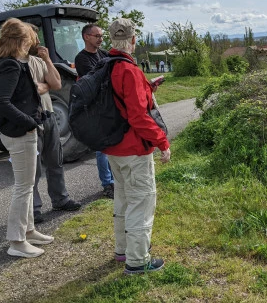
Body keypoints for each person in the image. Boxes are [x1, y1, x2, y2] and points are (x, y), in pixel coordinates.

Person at [103, 18, 170, 274]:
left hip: (112, 147)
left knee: (122, 199)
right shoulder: (129, 70)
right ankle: (138, 261)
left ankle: (123, 250)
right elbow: (138, 116)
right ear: (133, 39)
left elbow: (120, 102)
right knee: (141, 202)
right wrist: (162, 141)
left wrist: (148, 88)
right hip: (133, 148)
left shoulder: (106, 66)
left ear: (111, 39)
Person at [0, 18, 54, 258]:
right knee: (23, 187)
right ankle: (16, 241)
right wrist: (29, 122)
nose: (31, 43)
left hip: (21, 131)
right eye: (28, 38)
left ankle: (28, 231)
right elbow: (1, 102)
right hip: (20, 134)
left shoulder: (11, 63)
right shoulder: (10, 66)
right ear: (20, 40)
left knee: (27, 186)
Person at [27, 30, 81, 223]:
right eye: (35, 38)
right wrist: (43, 85)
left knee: (55, 161)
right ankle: (33, 209)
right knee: (33, 168)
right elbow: (32, 88)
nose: (39, 41)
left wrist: (48, 59)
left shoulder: (40, 62)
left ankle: (60, 199)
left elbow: (56, 83)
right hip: (30, 119)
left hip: (48, 115)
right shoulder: (15, 62)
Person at [74, 24, 115, 199]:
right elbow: (94, 80)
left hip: (109, 105)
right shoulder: (81, 59)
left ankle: (116, 179)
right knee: (102, 149)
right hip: (96, 108)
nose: (100, 38)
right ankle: (107, 183)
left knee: (113, 145)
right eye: (97, 35)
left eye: (102, 36)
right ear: (86, 37)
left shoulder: (105, 53)